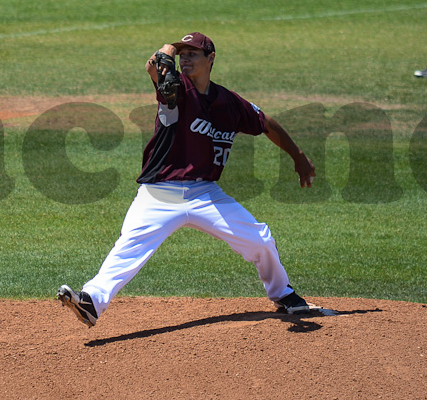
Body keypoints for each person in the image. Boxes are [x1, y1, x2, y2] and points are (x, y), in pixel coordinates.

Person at [57, 32, 320, 328]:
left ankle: (284, 295)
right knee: (129, 246)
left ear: (211, 59)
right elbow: (152, 67)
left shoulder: (230, 103)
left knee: (259, 239)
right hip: (159, 193)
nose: (185, 58)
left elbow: (265, 123)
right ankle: (91, 302)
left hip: (206, 193)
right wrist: (168, 49)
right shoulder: (175, 89)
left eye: (193, 53)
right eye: (182, 54)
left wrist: (297, 156)